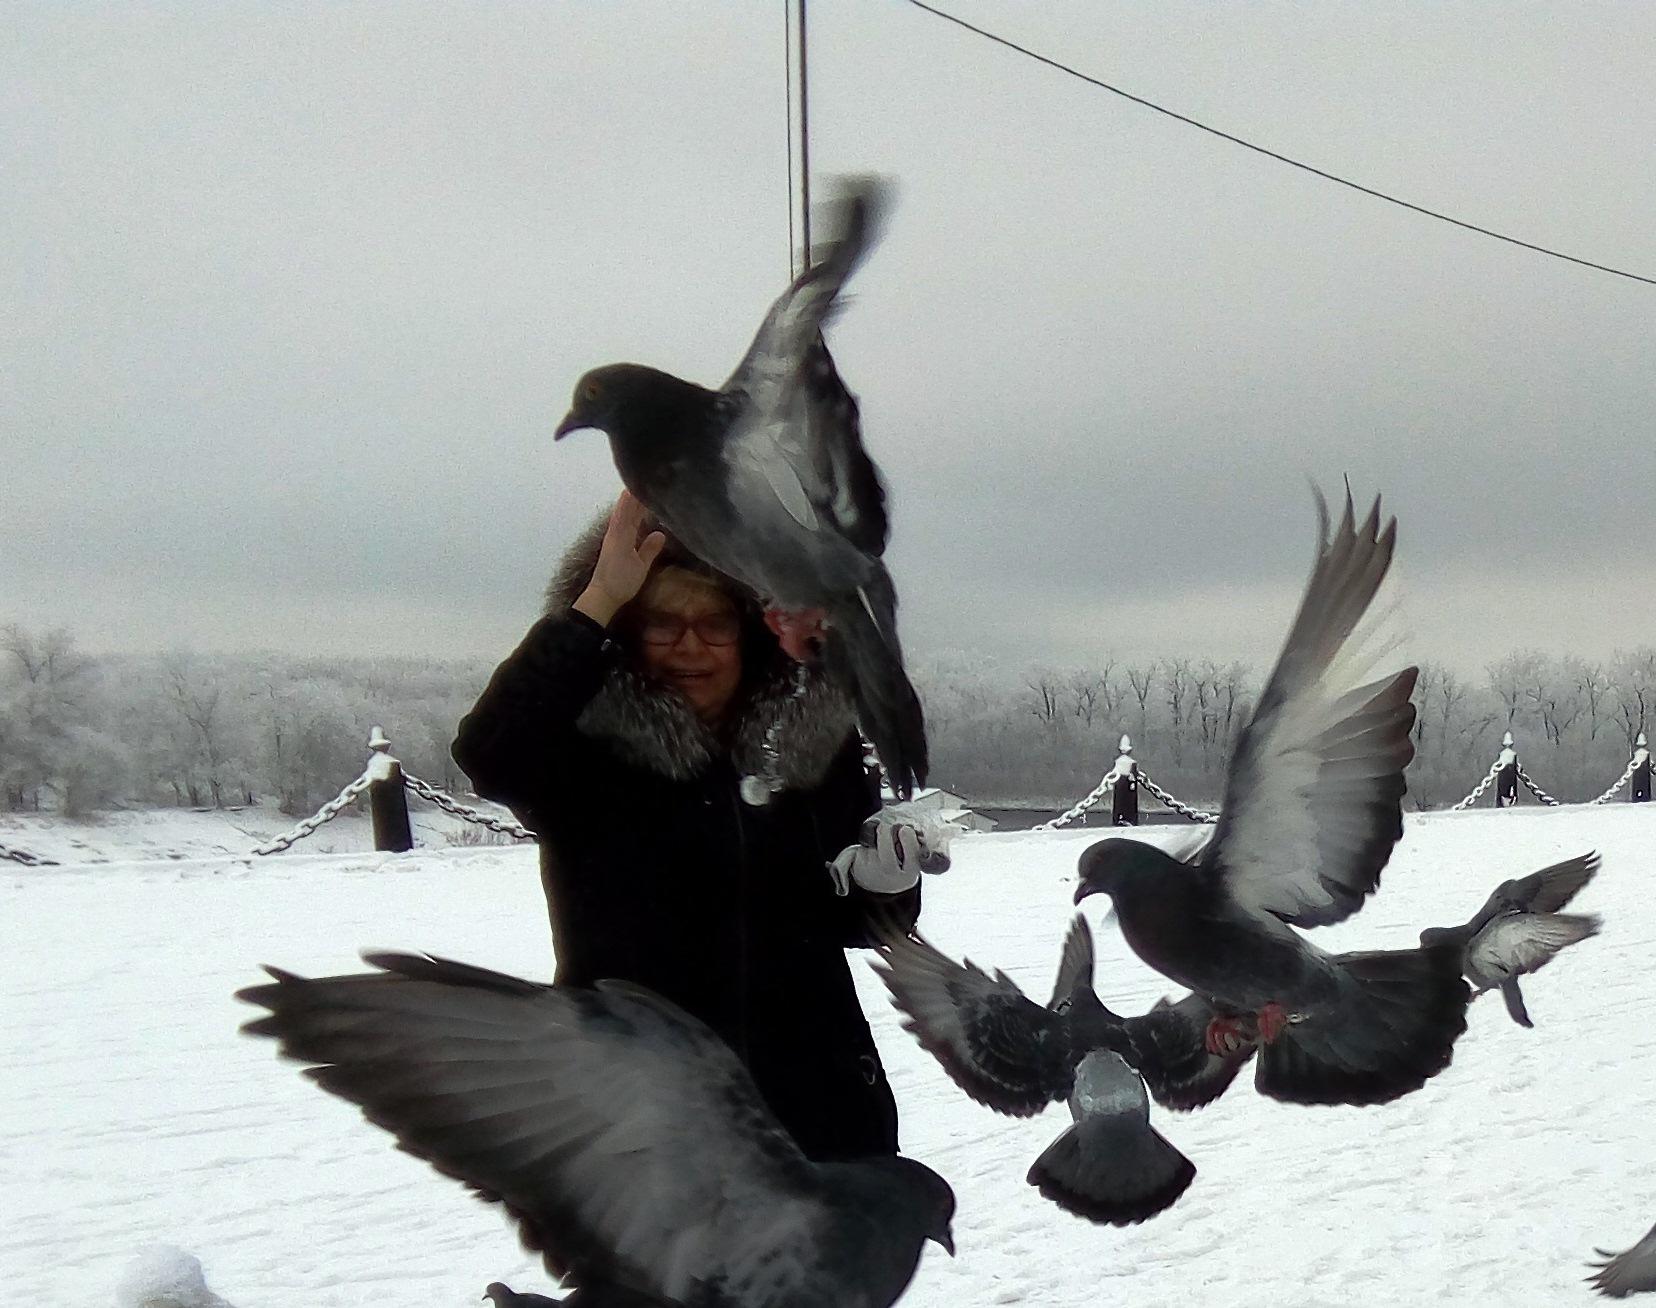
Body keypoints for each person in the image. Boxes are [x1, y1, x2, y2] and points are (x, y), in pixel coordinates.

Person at [452, 491, 940, 1161]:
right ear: (625, 632)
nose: (690, 646)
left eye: (715, 623)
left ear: (752, 633)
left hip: (814, 1109)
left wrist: (887, 885)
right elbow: (490, 755)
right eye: (660, 623)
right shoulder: (584, 754)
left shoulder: (809, 747)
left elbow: (850, 919)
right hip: (643, 1121)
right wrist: (596, 598)